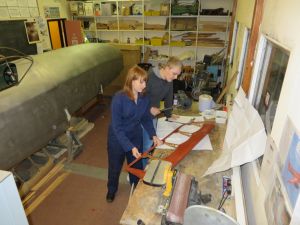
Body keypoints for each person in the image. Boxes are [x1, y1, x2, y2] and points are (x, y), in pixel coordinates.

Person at [106, 65, 162, 203]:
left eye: (145, 81)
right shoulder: (119, 99)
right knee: (115, 167)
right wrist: (130, 147)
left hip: (135, 136)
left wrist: (153, 135)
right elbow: (117, 127)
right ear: (132, 81)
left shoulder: (144, 98)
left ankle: (135, 187)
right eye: (141, 82)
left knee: (136, 166)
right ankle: (111, 190)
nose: (144, 85)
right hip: (118, 139)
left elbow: (145, 118)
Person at [142, 57, 183, 156]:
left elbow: (169, 96)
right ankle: (143, 168)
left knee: (152, 142)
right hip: (142, 114)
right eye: (175, 74)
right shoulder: (149, 77)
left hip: (153, 115)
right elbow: (139, 98)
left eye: (178, 74)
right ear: (167, 68)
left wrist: (169, 114)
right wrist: (149, 108)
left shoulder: (169, 79)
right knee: (147, 145)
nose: (176, 77)